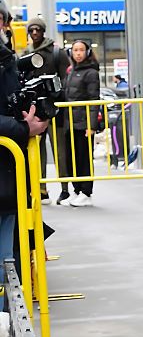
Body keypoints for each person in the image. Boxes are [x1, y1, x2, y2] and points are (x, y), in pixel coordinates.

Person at [0, 36, 48, 298]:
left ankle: (7, 315)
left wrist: (33, 116)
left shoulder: (8, 58)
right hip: (8, 175)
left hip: (9, 181)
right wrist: (22, 128)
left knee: (7, 260)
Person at [26, 16, 71, 204]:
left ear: (43, 31)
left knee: (60, 149)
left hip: (56, 106)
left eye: (38, 29)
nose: (35, 33)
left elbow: (66, 78)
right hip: (36, 108)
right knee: (37, 150)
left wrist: (59, 95)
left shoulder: (56, 52)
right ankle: (41, 189)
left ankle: (65, 189)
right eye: (31, 30)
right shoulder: (26, 53)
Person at [60, 38, 99, 207]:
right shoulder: (70, 71)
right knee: (72, 159)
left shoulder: (91, 73)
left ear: (87, 52)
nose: (78, 53)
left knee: (84, 158)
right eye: (75, 50)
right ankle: (76, 190)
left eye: (81, 50)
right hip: (70, 123)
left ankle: (86, 192)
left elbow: (94, 100)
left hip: (83, 124)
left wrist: (91, 126)